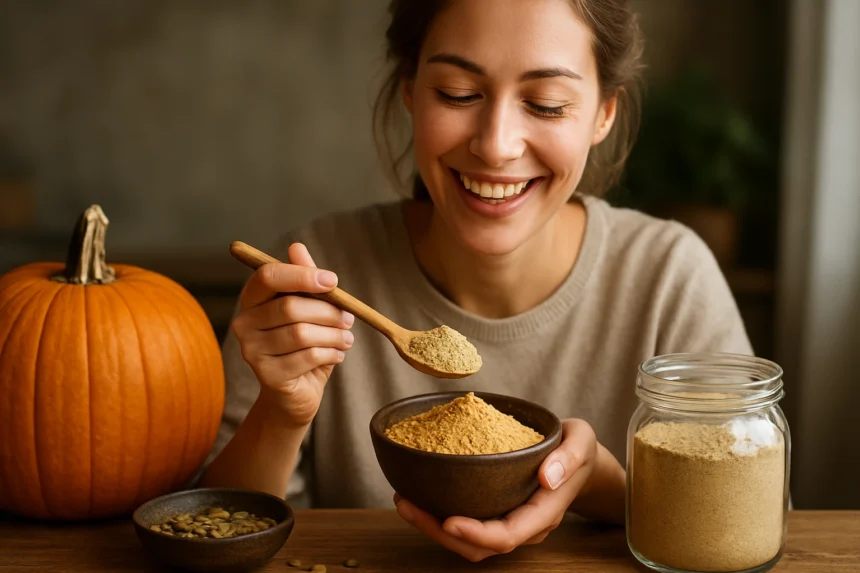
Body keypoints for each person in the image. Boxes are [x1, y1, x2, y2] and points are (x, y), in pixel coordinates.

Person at [200, 0, 751, 562]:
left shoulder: (669, 277)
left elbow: (743, 521)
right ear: (410, 90)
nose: (495, 144)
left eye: (546, 104)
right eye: (459, 94)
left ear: (604, 113)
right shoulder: (318, 272)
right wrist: (281, 412)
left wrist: (605, 486)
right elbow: (210, 524)